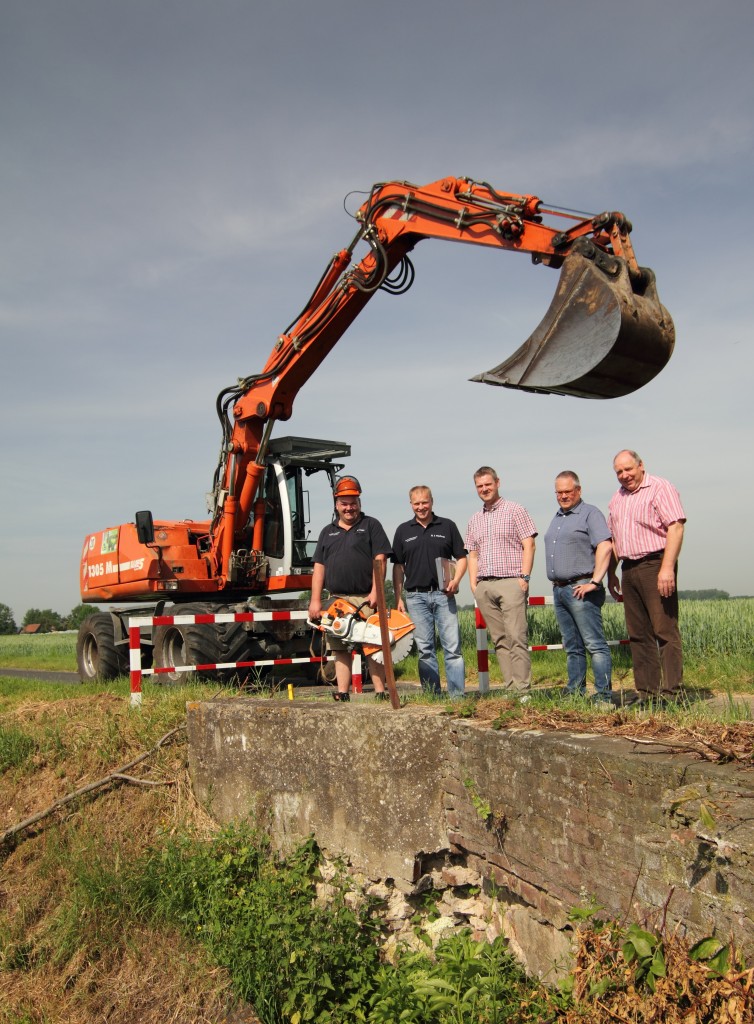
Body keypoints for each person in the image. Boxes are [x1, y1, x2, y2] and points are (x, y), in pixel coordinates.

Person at [607, 450, 686, 703]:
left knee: (664, 629)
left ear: (641, 465)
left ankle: (672, 693)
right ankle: (648, 692)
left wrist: (667, 567)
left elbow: (675, 526)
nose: (624, 475)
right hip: (628, 568)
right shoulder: (616, 499)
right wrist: (611, 573)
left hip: (655, 563)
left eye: (628, 469)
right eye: (619, 472)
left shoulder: (660, 487)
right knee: (638, 633)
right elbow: (615, 540)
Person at [308, 476, 392, 701]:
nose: (349, 507)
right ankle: (342, 693)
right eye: (344, 503)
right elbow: (319, 568)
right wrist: (315, 600)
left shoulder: (371, 525)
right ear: (337, 504)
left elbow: (381, 559)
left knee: (373, 646)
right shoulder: (327, 531)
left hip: (366, 598)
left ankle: (380, 692)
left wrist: (377, 592)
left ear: (359, 503)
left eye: (353, 502)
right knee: (339, 649)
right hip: (337, 600)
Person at [465, 466, 537, 692]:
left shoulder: (516, 510)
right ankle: (510, 688)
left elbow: (529, 544)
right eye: (479, 486)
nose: (484, 489)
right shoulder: (474, 520)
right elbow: (473, 555)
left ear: (497, 483)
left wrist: (524, 577)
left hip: (511, 581)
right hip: (485, 585)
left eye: (488, 484)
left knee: (517, 637)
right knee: (500, 640)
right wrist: (474, 585)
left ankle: (522, 689)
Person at [392, 486, 468, 699]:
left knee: (452, 648)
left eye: (424, 502)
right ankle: (432, 696)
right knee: (425, 650)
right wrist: (398, 598)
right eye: (416, 503)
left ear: (432, 502)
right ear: (411, 505)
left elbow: (462, 558)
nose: (421, 507)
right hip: (415, 598)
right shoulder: (403, 531)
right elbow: (398, 567)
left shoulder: (447, 526)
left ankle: (457, 697)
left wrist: (456, 580)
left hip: (444, 595)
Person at [544, 471, 613, 702]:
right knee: (572, 647)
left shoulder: (590, 513)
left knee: (595, 645)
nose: (563, 496)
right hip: (560, 589)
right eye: (559, 492)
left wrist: (595, 581)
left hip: (581, 587)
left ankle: (603, 696)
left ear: (578, 490)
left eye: (568, 491)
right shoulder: (558, 517)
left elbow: (605, 545)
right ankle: (575, 692)